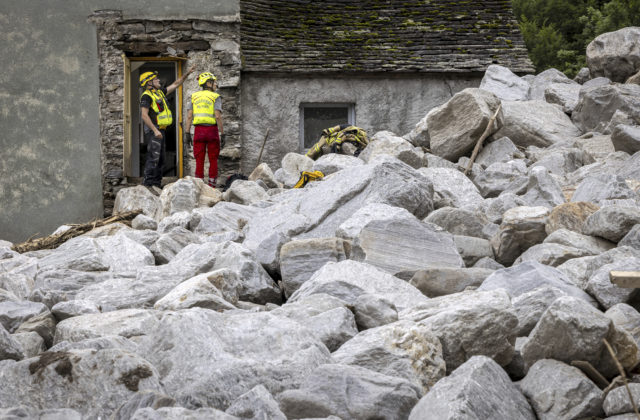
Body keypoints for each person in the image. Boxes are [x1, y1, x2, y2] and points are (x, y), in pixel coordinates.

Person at [139, 65, 195, 191]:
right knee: (153, 157)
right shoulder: (146, 96)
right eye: (155, 79)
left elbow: (175, 84)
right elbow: (144, 115)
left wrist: (187, 73)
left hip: (161, 130)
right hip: (154, 130)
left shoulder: (159, 93)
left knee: (161, 159)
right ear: (149, 82)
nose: (158, 80)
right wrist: (155, 130)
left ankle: (156, 184)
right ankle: (147, 185)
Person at [184, 71, 224, 188]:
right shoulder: (216, 97)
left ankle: (198, 185)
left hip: (198, 131)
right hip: (212, 131)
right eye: (214, 82)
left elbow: (189, 116)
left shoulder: (193, 96)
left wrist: (187, 133)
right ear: (209, 83)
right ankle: (212, 186)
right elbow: (217, 116)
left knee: (199, 159)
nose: (216, 85)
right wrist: (223, 133)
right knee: (213, 158)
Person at [305, 124, 369, 160]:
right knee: (317, 149)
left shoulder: (354, 133)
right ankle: (309, 156)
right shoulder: (326, 138)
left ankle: (310, 156)